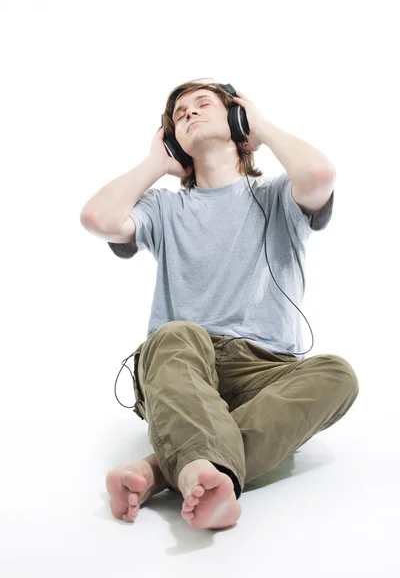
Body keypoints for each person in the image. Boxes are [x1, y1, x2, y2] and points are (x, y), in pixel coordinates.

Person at [80, 80, 359, 530]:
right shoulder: (164, 208)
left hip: (265, 372)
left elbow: (320, 176)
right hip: (183, 364)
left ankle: (160, 469)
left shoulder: (277, 196)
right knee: (177, 332)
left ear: (235, 119)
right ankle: (203, 471)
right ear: (173, 139)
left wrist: (261, 127)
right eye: (179, 114)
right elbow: (98, 218)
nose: (189, 113)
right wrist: (155, 162)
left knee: (337, 374)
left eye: (203, 104)